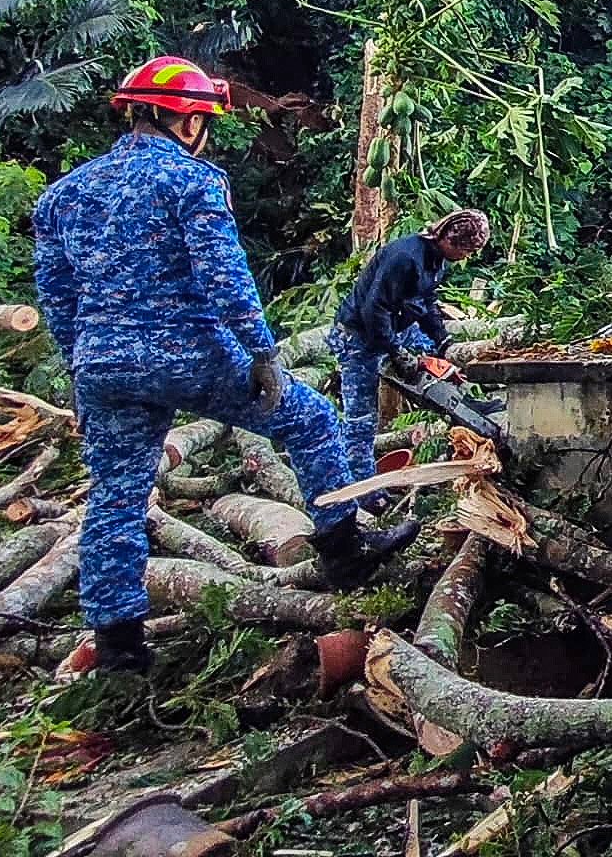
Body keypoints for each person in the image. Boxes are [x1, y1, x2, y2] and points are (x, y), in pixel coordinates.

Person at [34, 57, 419, 675]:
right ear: (185, 121)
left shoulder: (63, 195)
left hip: (103, 366)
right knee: (314, 420)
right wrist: (262, 352)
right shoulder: (193, 183)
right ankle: (345, 550)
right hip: (195, 356)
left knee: (116, 498)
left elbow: (57, 297)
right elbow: (224, 276)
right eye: (204, 119)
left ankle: (119, 650)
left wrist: (81, 369)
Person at [330, 208, 491, 479]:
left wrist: (443, 341)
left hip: (397, 327)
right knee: (361, 418)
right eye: (466, 250)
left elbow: (426, 303)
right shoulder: (405, 258)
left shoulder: (435, 260)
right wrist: (396, 352)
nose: (466, 257)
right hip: (360, 337)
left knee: (441, 370)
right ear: (450, 240)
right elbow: (374, 310)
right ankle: (359, 486)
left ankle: (476, 404)